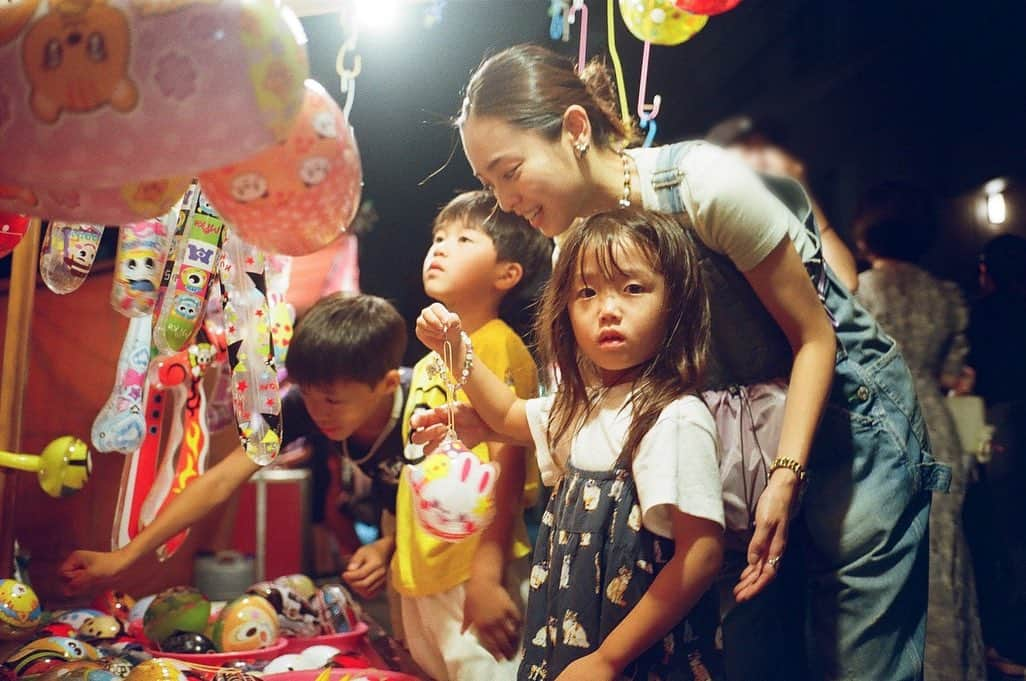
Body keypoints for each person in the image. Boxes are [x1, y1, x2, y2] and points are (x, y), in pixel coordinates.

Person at [412, 44, 948, 680]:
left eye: (508, 171)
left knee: (859, 661)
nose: (502, 201)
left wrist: (785, 474)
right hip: (743, 451)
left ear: (575, 131)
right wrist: (488, 422)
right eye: (488, 184)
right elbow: (601, 405)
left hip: (843, 421)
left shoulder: (701, 183)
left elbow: (814, 339)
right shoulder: (571, 251)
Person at [416, 209, 725, 681]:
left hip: (637, 656)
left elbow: (701, 555)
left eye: (633, 288)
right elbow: (508, 416)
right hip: (572, 642)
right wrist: (453, 346)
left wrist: (607, 659)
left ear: (676, 304)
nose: (607, 308)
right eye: (587, 292)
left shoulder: (675, 417)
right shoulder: (586, 404)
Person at [61, 293, 410, 603]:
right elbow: (221, 479)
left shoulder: (427, 408)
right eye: (307, 394)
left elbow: (458, 510)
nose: (318, 412)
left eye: (333, 401)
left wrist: (390, 545)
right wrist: (122, 557)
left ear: (388, 384)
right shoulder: (306, 407)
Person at [391, 191, 552, 680]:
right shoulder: (424, 363)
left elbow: (505, 468)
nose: (440, 248)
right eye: (438, 237)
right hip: (424, 570)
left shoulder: (498, 347)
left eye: (463, 239)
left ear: (507, 274)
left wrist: (486, 576)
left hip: (475, 570)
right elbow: (414, 470)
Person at [853, 181, 985, 681]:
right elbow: (957, 378)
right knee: (946, 555)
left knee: (884, 559)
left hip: (883, 428)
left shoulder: (858, 293)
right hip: (941, 427)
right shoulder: (945, 296)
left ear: (865, 234)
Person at [705, 114, 859, 291]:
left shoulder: (789, 216)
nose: (766, 158)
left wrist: (801, 191)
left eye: (764, 146)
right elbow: (844, 282)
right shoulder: (733, 231)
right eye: (749, 148)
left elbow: (847, 281)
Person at [965, 234, 1026, 677]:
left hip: (996, 420)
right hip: (1014, 416)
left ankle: (1005, 638)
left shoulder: (980, 313)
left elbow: (970, 379)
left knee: (999, 530)